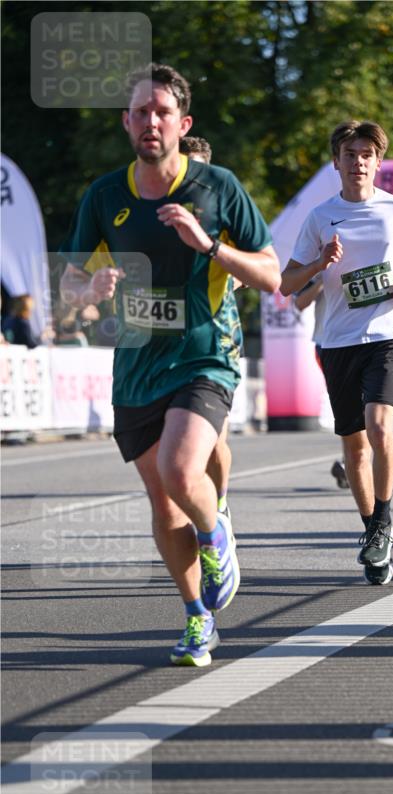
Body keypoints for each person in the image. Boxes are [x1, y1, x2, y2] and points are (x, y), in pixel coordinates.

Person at [59, 63, 280, 665]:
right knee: (162, 506)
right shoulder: (105, 196)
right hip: (135, 368)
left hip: (201, 356)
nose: (150, 121)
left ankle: (216, 536)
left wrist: (209, 245)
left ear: (183, 124)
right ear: (127, 123)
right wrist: (91, 289)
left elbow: (271, 273)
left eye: (161, 111)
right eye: (139, 112)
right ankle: (197, 619)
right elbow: (69, 286)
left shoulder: (216, 188)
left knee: (185, 473)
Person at [280, 119, 393, 584]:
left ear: (378, 163)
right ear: (337, 163)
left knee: (379, 423)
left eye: (367, 155)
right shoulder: (319, 216)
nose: (358, 162)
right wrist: (319, 262)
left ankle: (383, 519)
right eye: (350, 155)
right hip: (337, 341)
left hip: (386, 334)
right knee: (353, 445)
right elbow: (287, 284)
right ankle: (373, 533)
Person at [179, 134, 239, 522]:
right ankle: (194, 506)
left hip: (218, 330)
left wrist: (226, 273)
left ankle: (219, 507)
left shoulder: (225, 206)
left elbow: (258, 263)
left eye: (200, 167)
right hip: (166, 336)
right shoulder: (156, 207)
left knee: (214, 437)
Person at [293, 272, 349, 489]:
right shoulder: (317, 265)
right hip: (327, 344)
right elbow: (299, 303)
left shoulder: (365, 252)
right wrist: (323, 280)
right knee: (347, 405)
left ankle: (353, 461)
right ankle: (350, 461)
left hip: (365, 340)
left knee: (367, 405)